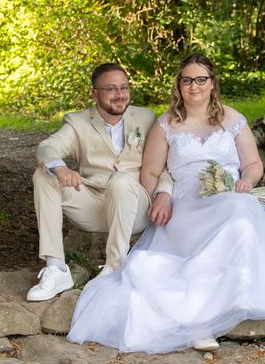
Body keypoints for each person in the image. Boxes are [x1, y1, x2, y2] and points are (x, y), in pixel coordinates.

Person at [66, 53, 265, 353]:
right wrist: (160, 196)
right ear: (178, 85)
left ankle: (233, 296)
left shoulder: (233, 120)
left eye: (201, 79)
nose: (194, 86)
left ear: (212, 83)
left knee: (243, 213)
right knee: (232, 218)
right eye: (187, 80)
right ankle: (202, 323)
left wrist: (246, 181)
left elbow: (254, 164)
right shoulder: (165, 125)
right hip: (184, 208)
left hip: (228, 197)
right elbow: (150, 172)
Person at [27, 63, 173, 302]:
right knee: (44, 175)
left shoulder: (146, 118)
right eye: (112, 89)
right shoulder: (78, 122)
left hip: (136, 205)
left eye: (124, 87)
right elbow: (46, 147)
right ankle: (57, 268)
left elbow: (166, 163)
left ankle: (115, 267)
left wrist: (165, 192)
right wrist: (61, 167)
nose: (120, 95)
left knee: (121, 180)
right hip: (95, 204)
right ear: (95, 93)